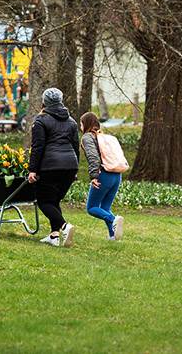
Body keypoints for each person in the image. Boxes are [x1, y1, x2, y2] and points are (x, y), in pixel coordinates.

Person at [28, 88, 79, 247]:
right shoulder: (71, 121)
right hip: (70, 165)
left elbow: (37, 147)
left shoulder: (41, 120)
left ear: (44, 102)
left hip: (51, 166)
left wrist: (32, 170)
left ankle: (64, 226)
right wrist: (75, 170)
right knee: (54, 200)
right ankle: (54, 236)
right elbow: (75, 146)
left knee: (44, 201)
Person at [79, 112, 124, 241]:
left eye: (81, 123)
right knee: (105, 208)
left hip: (104, 175)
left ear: (86, 124)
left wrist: (94, 176)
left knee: (92, 208)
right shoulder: (105, 137)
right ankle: (112, 236)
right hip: (116, 175)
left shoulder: (88, 137)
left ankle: (113, 219)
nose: (80, 126)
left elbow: (93, 157)